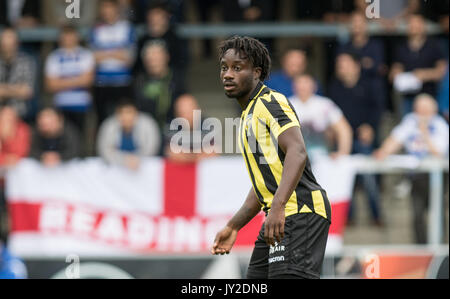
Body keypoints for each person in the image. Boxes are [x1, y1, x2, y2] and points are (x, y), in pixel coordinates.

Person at [212, 36, 331, 279]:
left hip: (301, 211)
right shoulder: (247, 116)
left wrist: (277, 206)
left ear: (256, 72)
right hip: (279, 215)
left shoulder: (270, 101)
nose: (227, 74)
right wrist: (234, 225)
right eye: (224, 67)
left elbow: (297, 152)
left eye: (237, 68)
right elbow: (264, 184)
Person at [374, 94, 449, 244]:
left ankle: (440, 247)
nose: (420, 112)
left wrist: (425, 133)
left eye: (423, 109)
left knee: (437, 211)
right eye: (418, 108)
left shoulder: (440, 124)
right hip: (416, 175)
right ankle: (421, 248)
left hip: (436, 176)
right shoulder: (410, 121)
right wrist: (383, 151)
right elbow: (396, 138)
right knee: (417, 213)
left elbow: (439, 153)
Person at [328, 51, 385, 226]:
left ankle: (376, 215)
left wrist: (370, 126)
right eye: (339, 65)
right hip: (343, 141)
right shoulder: (334, 88)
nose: (341, 68)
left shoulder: (370, 85)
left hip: (363, 139)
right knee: (345, 179)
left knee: (369, 180)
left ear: (356, 65)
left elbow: (379, 109)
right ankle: (348, 216)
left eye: (344, 63)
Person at [45, 26, 95, 152]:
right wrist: (77, 79)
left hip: (82, 105)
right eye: (65, 36)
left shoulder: (86, 55)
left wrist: (62, 81)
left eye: (71, 36)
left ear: (77, 37)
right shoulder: (54, 57)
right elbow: (51, 85)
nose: (68, 39)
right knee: (62, 140)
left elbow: (88, 80)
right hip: (61, 105)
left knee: (81, 139)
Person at [90, 0, 137, 125]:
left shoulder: (127, 27)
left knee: (124, 119)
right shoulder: (96, 29)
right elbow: (93, 58)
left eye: (109, 8)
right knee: (102, 121)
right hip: (101, 83)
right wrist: (117, 52)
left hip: (123, 82)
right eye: (104, 8)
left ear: (117, 9)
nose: (107, 12)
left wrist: (105, 52)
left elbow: (130, 58)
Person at [390, 14, 447, 116]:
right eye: (411, 24)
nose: (414, 27)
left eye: (417, 24)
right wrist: (396, 74)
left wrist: (424, 75)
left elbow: (441, 71)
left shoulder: (434, 46)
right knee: (408, 126)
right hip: (407, 97)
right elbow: (396, 68)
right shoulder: (401, 47)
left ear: (423, 27)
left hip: (428, 96)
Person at [289, 74, 353, 161]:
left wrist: (342, 153)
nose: (303, 87)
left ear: (314, 86)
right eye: (299, 83)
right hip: (292, 158)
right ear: (293, 86)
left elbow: (344, 129)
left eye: (306, 83)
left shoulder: (325, 105)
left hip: (321, 157)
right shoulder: (285, 104)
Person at [134, 41, 185, 133]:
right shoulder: (139, 80)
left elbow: (184, 102)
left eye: (157, 58)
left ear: (166, 57)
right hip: (146, 127)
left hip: (173, 124)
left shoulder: (176, 78)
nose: (154, 63)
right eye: (150, 59)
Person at [97, 99, 161, 171]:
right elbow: (104, 150)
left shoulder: (148, 123)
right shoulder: (109, 125)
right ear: (117, 115)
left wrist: (137, 159)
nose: (126, 117)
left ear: (136, 113)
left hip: (142, 166)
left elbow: (152, 146)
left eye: (129, 112)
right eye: (122, 113)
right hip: (116, 168)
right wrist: (124, 160)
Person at [135, 1, 189, 81]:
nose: (155, 20)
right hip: (147, 82)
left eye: (158, 16)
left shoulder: (175, 40)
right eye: (152, 16)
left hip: (170, 81)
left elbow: (181, 63)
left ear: (166, 17)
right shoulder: (143, 40)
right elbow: (137, 66)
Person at [0, 105, 30, 247]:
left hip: (18, 188)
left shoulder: (22, 130)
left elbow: (19, 155)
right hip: (2, 185)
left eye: (10, 118)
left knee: (14, 219)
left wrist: (8, 137)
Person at [164, 94, 217, 163]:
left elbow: (213, 152)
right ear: (177, 114)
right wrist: (194, 157)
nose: (187, 116)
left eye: (190, 112)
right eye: (183, 112)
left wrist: (188, 157)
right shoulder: (171, 128)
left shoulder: (208, 126)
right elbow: (170, 153)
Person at [0, 27, 36, 121]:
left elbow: (27, 91)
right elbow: (22, 90)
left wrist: (4, 89)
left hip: (20, 114)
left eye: (10, 44)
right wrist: (17, 89)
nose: (7, 47)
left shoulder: (27, 61)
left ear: (16, 44)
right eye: (4, 44)